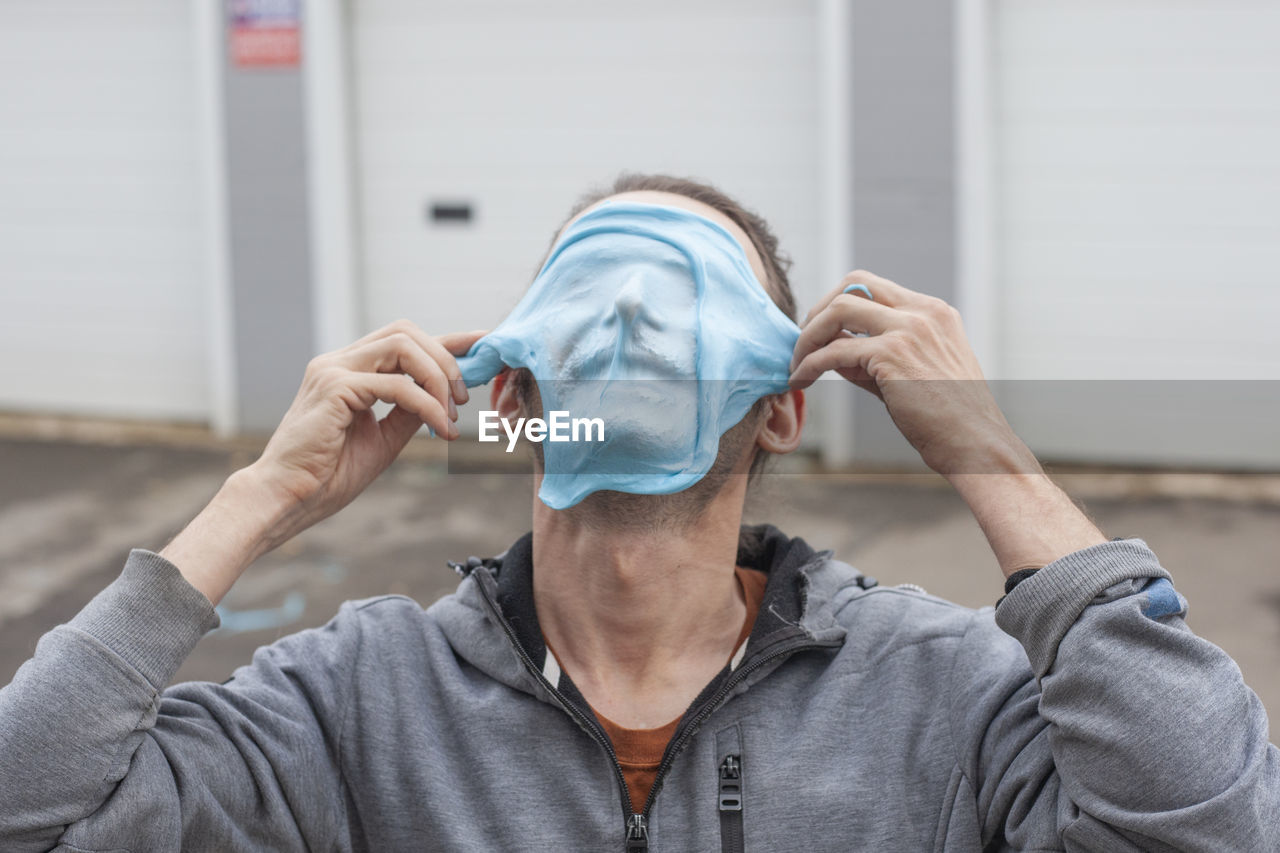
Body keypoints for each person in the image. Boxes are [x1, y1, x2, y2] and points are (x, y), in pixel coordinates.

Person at [1, 173, 1275, 852]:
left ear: (778, 403)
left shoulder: (940, 694)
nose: (626, 323)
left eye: (680, 296)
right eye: (597, 287)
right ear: (515, 390)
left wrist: (991, 456)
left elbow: (1212, 827)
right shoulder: (354, 702)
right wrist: (258, 497)